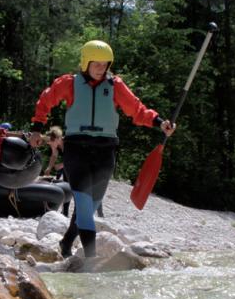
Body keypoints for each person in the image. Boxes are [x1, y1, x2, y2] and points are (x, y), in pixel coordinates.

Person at [29, 40, 175, 257]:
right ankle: (91, 261)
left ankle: (66, 242)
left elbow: (137, 110)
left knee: (89, 206)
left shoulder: (115, 85)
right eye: (96, 64)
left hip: (105, 151)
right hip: (77, 150)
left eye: (104, 64)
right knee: (86, 208)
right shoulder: (69, 83)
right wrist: (37, 128)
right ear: (85, 62)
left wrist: (160, 122)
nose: (100, 68)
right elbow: (45, 101)